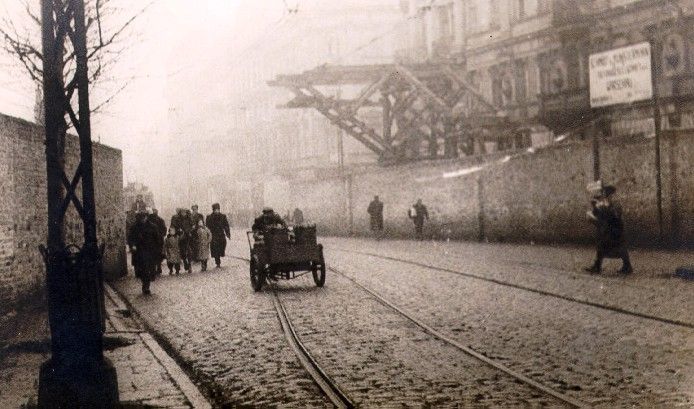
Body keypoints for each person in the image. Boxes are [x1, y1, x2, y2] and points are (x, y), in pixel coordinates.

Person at [585, 185, 633, 274]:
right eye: (606, 195)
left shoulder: (616, 204)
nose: (606, 197)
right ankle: (597, 266)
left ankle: (627, 266)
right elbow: (601, 214)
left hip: (616, 230)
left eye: (607, 195)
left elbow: (614, 215)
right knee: (603, 246)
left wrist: (603, 208)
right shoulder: (607, 203)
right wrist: (595, 207)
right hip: (609, 230)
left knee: (618, 248)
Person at [127, 212, 162, 294]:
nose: (143, 219)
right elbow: (130, 238)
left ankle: (147, 284)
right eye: (141, 218)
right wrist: (132, 245)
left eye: (144, 217)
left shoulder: (153, 226)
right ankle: (145, 285)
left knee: (150, 268)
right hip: (139, 251)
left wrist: (158, 249)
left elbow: (158, 239)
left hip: (150, 251)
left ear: (146, 217)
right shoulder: (134, 227)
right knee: (142, 269)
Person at [206, 203, 231, 268]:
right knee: (215, 248)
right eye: (215, 210)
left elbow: (226, 225)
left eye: (218, 209)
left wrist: (228, 233)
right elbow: (207, 227)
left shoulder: (223, 216)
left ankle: (219, 256)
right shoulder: (209, 217)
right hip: (214, 235)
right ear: (213, 210)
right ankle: (218, 262)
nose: (217, 211)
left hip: (221, 234)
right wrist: (208, 235)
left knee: (222, 245)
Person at [170, 208, 194, 273]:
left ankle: (189, 265)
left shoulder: (189, 218)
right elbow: (173, 227)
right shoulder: (177, 219)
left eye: (185, 212)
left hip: (188, 238)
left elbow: (192, 226)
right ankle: (185, 262)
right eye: (182, 212)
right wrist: (178, 231)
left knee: (189, 251)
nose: (183, 214)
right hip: (181, 238)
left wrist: (189, 231)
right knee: (182, 251)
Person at [149, 208, 167, 275]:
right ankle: (156, 268)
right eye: (153, 211)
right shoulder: (149, 220)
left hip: (157, 240)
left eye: (155, 211)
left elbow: (164, 229)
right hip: (154, 240)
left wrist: (161, 235)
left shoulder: (160, 220)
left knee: (158, 254)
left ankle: (158, 267)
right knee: (155, 254)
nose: (154, 212)